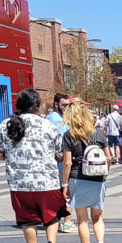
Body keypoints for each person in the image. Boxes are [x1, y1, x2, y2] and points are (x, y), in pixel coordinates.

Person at [0, 88, 68, 243]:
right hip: (47, 182)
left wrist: (8, 157)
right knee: (52, 216)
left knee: (28, 220)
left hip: (19, 184)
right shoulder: (48, 125)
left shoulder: (7, 124)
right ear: (38, 106)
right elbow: (59, 154)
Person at [62, 102, 111, 243]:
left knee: (82, 220)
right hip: (98, 178)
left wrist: (64, 184)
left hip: (78, 177)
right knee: (98, 217)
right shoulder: (98, 133)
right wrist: (104, 173)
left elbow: (67, 163)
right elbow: (108, 157)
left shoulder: (69, 135)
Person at [46, 92, 77, 233]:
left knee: (61, 192)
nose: (66, 107)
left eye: (68, 105)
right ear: (56, 104)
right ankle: (67, 221)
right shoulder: (54, 119)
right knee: (66, 192)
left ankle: (59, 220)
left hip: (61, 161)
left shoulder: (60, 118)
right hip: (60, 162)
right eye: (64, 105)